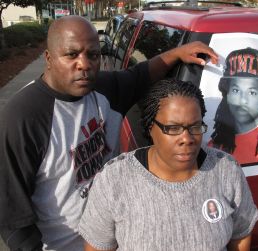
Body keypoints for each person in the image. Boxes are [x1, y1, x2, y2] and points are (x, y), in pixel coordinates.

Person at [0, 16, 218, 251]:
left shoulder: (104, 90)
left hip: (117, 239)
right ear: (49, 58)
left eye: (93, 55)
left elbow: (141, 75)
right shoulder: (23, 117)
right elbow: (12, 215)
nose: (84, 64)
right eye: (71, 55)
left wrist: (178, 53)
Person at [79, 79, 258, 251]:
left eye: (195, 127)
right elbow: (97, 246)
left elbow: (241, 234)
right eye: (173, 128)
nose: (187, 139)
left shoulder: (226, 170)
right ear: (151, 128)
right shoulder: (114, 179)